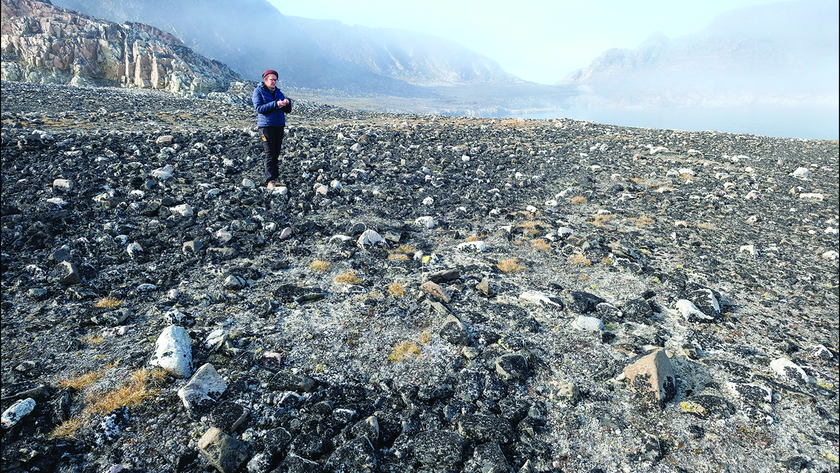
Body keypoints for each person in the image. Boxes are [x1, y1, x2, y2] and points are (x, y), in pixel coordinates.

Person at [252, 69, 292, 188]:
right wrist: (276, 104)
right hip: (266, 126)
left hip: (278, 125)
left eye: (275, 80)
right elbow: (259, 108)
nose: (274, 82)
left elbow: (287, 111)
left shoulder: (278, 92)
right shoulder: (258, 91)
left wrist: (287, 103)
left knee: (276, 152)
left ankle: (275, 177)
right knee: (270, 152)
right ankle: (270, 180)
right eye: (272, 79)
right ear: (265, 80)